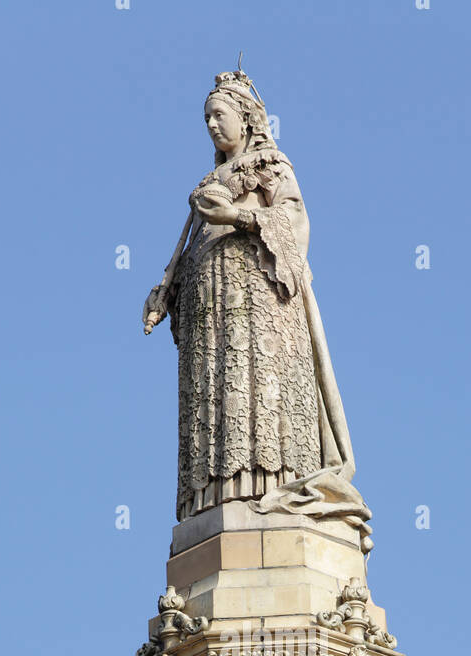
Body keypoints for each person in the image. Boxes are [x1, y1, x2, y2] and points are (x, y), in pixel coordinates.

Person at [143, 68, 370, 540]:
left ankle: (272, 489)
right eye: (205, 116)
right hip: (213, 305)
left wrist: (239, 215)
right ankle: (216, 502)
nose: (210, 124)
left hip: (262, 297)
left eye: (219, 114)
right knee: (216, 391)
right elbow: (190, 246)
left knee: (263, 390)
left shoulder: (271, 164)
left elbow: (293, 224)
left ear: (245, 118)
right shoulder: (208, 181)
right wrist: (170, 288)